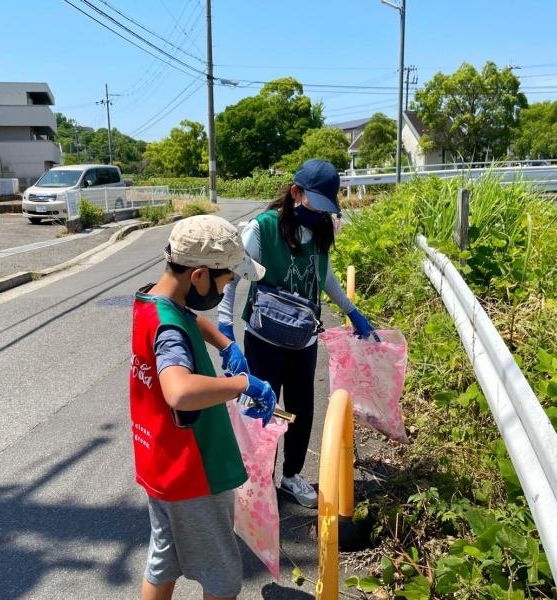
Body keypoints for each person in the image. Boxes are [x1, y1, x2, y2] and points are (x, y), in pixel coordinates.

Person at [217, 159, 379, 509]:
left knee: (302, 410)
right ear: (295, 193)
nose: (320, 214)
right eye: (315, 205)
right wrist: (225, 326)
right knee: (263, 409)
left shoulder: (324, 229)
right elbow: (232, 276)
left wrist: (352, 313)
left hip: (304, 339)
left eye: (325, 208)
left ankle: (291, 476)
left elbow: (326, 277)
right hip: (264, 340)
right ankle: (259, 482)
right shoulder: (262, 229)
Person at [130, 214, 276, 600]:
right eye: (227, 280)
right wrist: (244, 384)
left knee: (163, 560)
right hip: (192, 471)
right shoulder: (170, 329)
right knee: (222, 575)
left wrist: (226, 345)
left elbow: (192, 321)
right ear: (198, 276)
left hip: (159, 463)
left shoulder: (153, 300)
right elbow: (177, 390)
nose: (228, 288)